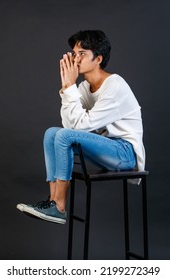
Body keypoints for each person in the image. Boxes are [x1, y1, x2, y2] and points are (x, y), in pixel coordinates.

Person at [17, 30, 145, 224]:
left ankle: (59, 205)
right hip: (105, 149)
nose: (75, 59)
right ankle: (53, 202)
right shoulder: (85, 87)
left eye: (82, 53)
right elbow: (69, 125)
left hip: (125, 153)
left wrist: (69, 88)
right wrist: (67, 88)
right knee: (52, 133)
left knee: (64, 135)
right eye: (74, 53)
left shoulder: (115, 85)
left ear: (98, 59)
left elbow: (82, 127)